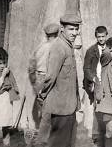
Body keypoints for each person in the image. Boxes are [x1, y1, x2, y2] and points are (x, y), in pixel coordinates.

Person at [39, 14, 82, 147]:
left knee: (67, 143)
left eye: (76, 29)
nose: (74, 33)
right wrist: (43, 95)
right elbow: (51, 76)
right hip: (60, 106)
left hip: (68, 105)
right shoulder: (59, 47)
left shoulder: (67, 45)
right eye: (71, 29)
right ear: (62, 28)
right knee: (58, 143)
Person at [28, 23, 60, 141]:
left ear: (46, 35)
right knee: (54, 111)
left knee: (43, 110)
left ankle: (45, 138)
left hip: (40, 79)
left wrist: (35, 84)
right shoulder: (58, 47)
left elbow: (31, 68)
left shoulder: (39, 48)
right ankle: (48, 138)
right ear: (57, 34)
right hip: (53, 79)